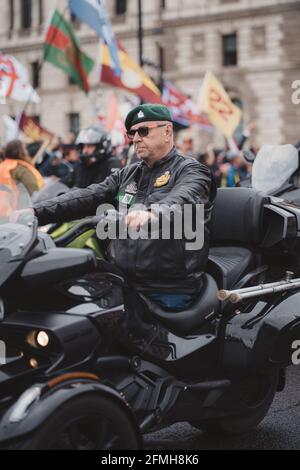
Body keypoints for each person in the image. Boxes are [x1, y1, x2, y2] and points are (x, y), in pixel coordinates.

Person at [16, 104, 216, 311]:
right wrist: (35, 212)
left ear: (167, 131)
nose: (136, 138)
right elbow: (88, 196)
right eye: (132, 133)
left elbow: (183, 198)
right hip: (121, 281)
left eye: (144, 131)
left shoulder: (191, 171)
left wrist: (151, 212)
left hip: (167, 289)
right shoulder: (128, 174)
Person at [0, 139, 45, 217]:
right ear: (19, 151)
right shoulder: (19, 168)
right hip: (18, 212)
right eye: (24, 149)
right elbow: (33, 189)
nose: (26, 151)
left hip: (4, 212)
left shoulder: (3, 166)